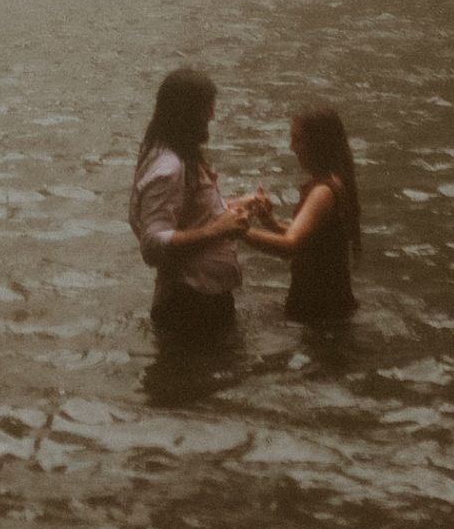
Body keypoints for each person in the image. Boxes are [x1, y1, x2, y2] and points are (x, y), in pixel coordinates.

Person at [128, 66, 253, 342]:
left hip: (202, 299)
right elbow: (152, 244)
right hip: (188, 305)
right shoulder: (169, 167)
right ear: (187, 113)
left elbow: (192, 212)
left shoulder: (181, 157)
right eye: (206, 108)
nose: (212, 115)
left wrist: (236, 206)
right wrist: (217, 230)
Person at [244, 100, 361, 323]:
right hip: (331, 303)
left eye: (297, 139)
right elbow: (314, 238)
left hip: (317, 308)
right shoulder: (335, 182)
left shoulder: (322, 192)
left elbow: (291, 246)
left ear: (317, 144)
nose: (292, 147)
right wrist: (271, 224)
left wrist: (238, 231)